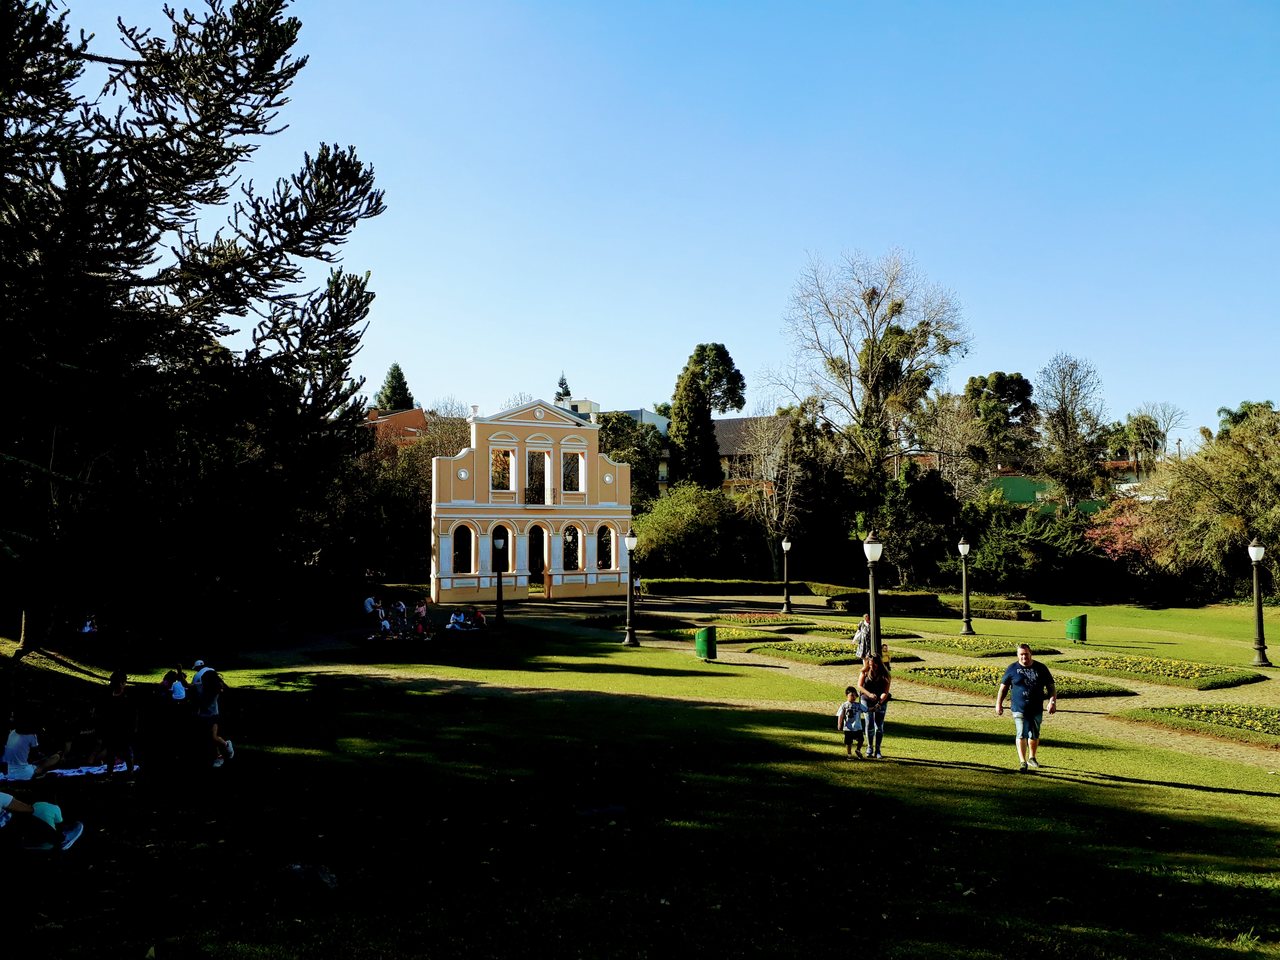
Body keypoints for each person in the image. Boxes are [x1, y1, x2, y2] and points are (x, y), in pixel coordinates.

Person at [996, 644, 1057, 772]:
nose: (1024, 657)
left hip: (1036, 707)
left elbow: (1051, 686)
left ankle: (1032, 757)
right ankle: (1022, 761)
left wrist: (1052, 701)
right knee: (1021, 733)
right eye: (1021, 655)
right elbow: (1003, 688)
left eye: (1026, 654)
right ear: (1018, 655)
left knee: (1034, 734)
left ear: (1031, 654)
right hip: (1019, 708)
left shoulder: (1041, 668)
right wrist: (999, 704)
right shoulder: (1012, 669)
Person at [0, 791, 84, 851]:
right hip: (13, 823)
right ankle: (62, 840)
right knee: (25, 820)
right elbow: (28, 809)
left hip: (8, 835)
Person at [100, 669, 137, 778]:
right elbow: (105, 713)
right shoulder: (109, 697)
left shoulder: (127, 698)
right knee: (111, 752)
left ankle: (130, 773)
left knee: (127, 751)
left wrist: (133, 728)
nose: (123, 685)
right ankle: (110, 773)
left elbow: (133, 714)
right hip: (112, 729)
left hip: (124, 729)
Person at [195, 669, 234, 768]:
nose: (202, 680)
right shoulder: (201, 686)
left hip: (213, 716)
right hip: (202, 716)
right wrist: (179, 672)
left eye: (204, 679)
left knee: (213, 737)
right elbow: (187, 685)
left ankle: (226, 745)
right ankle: (218, 756)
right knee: (209, 739)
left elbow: (222, 688)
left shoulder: (216, 689)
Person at [857, 656, 891, 760]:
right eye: (870, 664)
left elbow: (886, 691)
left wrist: (880, 702)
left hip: (880, 700)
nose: (872, 666)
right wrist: (869, 694)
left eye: (874, 664)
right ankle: (869, 747)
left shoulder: (885, 675)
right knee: (869, 723)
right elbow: (860, 686)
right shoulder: (865, 672)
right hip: (866, 699)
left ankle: (878, 749)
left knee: (879, 726)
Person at [836, 686, 865, 759]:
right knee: (848, 742)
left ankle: (858, 750)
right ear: (847, 695)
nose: (854, 697)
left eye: (855, 695)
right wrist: (839, 724)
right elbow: (841, 715)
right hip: (848, 728)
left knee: (861, 739)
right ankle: (849, 754)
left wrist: (875, 707)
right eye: (851, 695)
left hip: (858, 727)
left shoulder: (858, 705)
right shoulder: (844, 705)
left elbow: (866, 709)